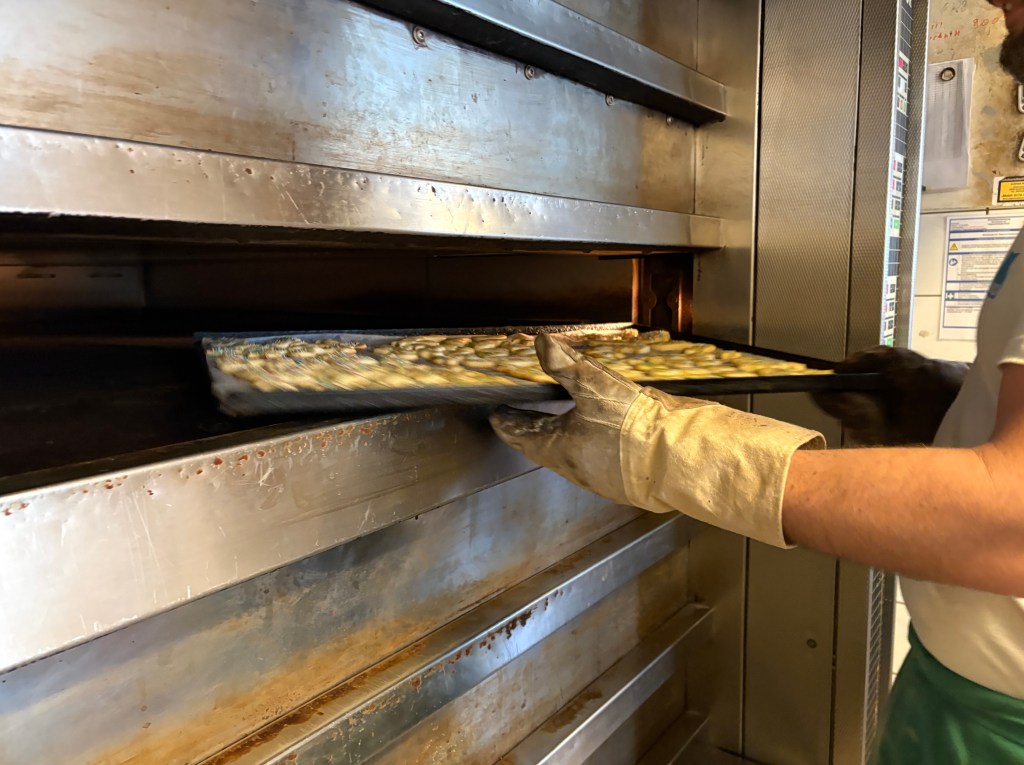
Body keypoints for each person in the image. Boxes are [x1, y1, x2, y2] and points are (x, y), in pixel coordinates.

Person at [490, 1, 1024, 760]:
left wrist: (668, 450)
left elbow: (1013, 522)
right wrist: (946, 405)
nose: (996, 0)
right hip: (959, 693)